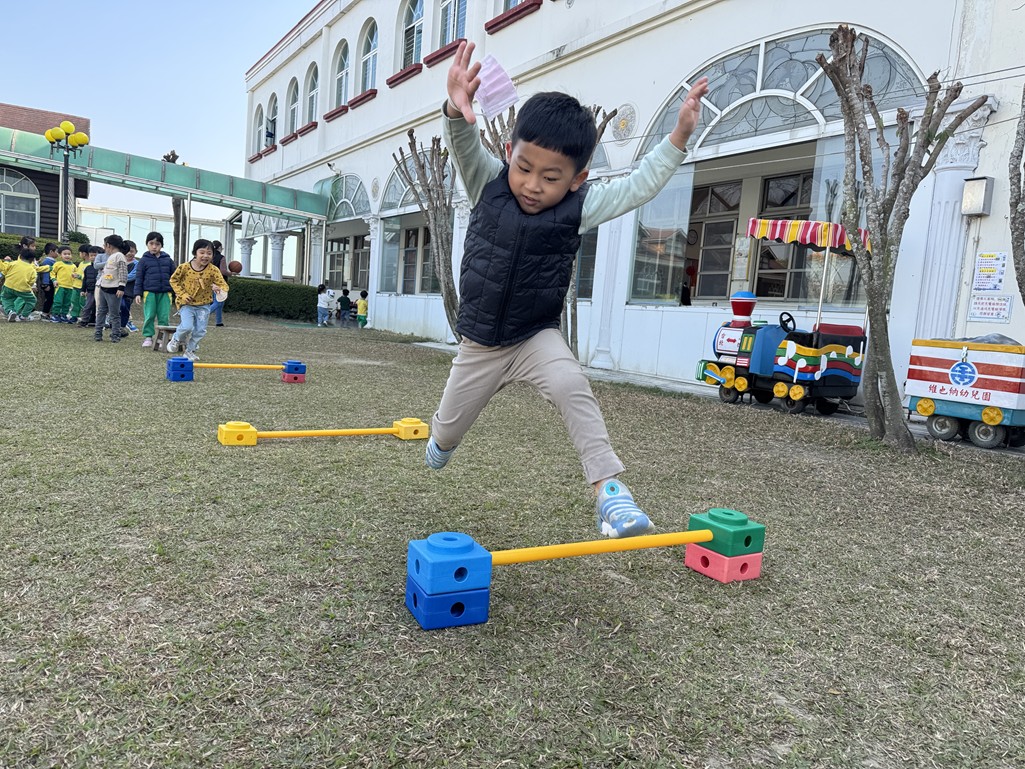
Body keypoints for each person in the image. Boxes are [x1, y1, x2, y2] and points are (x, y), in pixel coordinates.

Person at [425, 42, 708, 538]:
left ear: (577, 179)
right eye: (524, 168)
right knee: (444, 435)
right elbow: (462, 141)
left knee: (571, 384)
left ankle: (610, 491)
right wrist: (454, 107)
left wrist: (679, 135)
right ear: (509, 154)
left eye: (551, 177)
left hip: (534, 335)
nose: (533, 185)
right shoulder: (487, 182)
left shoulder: (579, 207)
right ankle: (441, 442)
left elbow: (638, 186)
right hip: (480, 344)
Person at [167, 238, 229, 361]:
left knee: (200, 330)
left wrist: (219, 289)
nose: (205, 256)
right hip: (186, 304)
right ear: (195, 253)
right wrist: (182, 294)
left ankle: (190, 351)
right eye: (202, 252)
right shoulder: (184, 267)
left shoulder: (213, 270)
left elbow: (224, 285)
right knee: (187, 327)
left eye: (209, 253)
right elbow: (173, 280)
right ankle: (175, 339)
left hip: (203, 305)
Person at [134, 231, 174, 348]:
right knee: (149, 315)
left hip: (165, 293)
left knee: (164, 317)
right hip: (149, 292)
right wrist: (137, 293)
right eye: (151, 243)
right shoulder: (143, 260)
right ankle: (148, 337)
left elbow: (175, 276)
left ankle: (162, 338)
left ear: (161, 245)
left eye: (157, 244)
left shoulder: (168, 260)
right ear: (147, 244)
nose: (154, 246)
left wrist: (177, 292)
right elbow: (139, 277)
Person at [94, 234, 128, 343]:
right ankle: (98, 333)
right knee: (101, 311)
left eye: (105, 245)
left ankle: (115, 335)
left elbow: (123, 272)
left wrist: (121, 286)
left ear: (109, 245)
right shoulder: (110, 257)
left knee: (114, 314)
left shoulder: (119, 256)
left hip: (114, 289)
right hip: (103, 287)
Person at [0, 249, 46, 321]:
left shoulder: (13, 263)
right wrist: (31, 286)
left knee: (6, 299)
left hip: (8, 286)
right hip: (23, 289)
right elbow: (32, 280)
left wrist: (6, 261)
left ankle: (10, 311)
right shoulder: (32, 269)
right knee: (31, 300)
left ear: (20, 256)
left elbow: (4, 269)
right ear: (32, 260)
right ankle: (24, 316)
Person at [48, 245, 77, 323]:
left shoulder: (73, 266)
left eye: (69, 254)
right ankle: (55, 315)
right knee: (58, 301)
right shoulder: (58, 264)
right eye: (65, 254)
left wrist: (76, 276)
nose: (67, 256)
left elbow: (76, 275)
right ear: (60, 255)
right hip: (60, 286)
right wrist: (54, 280)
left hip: (70, 287)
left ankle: (63, 315)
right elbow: (52, 273)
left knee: (67, 302)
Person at [119, 240, 139, 333]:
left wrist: (119, 278)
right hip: (117, 289)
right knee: (118, 306)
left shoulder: (136, 264)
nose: (129, 253)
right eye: (127, 251)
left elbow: (133, 276)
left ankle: (123, 325)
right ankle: (116, 324)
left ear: (136, 252)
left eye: (132, 251)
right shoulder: (119, 261)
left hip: (129, 291)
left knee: (125, 307)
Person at [210, 240, 230, 326]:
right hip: (220, 282)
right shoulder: (221, 257)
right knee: (218, 303)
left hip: (211, 282)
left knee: (218, 302)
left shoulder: (210, 257)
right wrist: (231, 273)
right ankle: (202, 315)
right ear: (219, 248)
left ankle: (219, 321)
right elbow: (223, 271)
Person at [69, 244, 91, 323]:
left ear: (84, 254)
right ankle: (74, 316)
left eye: (80, 253)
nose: (80, 254)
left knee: (83, 303)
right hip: (76, 286)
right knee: (74, 301)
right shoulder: (81, 263)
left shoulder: (89, 264)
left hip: (83, 287)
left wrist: (79, 276)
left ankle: (85, 317)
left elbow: (88, 276)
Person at [77, 248, 97, 327]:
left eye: (95, 255)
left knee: (98, 307)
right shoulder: (88, 268)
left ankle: (94, 320)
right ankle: (84, 320)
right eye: (91, 255)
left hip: (99, 290)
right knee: (88, 306)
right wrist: (83, 289)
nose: (93, 257)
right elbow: (85, 279)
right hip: (90, 291)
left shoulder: (102, 267)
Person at [37, 242, 57, 318]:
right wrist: (45, 284)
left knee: (50, 298)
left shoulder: (52, 261)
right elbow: (45, 273)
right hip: (49, 283)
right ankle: (45, 313)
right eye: (56, 251)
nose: (58, 253)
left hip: (51, 282)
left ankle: (47, 312)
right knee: (49, 298)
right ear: (51, 251)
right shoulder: (47, 261)